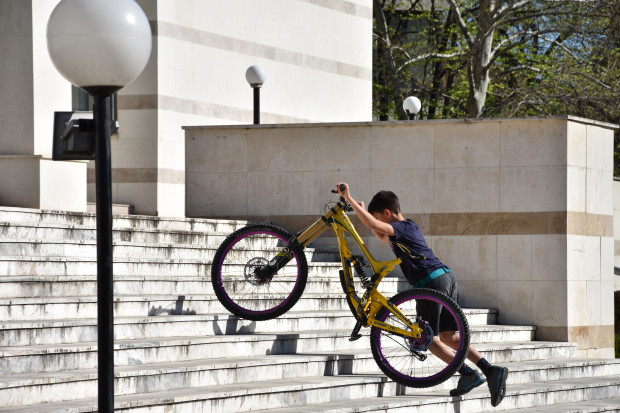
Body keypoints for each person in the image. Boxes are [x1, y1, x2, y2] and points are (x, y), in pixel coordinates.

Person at [336, 183, 508, 407]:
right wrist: (363, 212)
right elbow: (377, 231)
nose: (379, 222)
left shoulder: (402, 228)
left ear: (387, 213)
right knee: (449, 336)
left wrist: (348, 198)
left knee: (426, 338)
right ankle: (490, 369)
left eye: (380, 217)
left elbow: (372, 224)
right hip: (445, 277)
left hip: (430, 282)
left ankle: (467, 373)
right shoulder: (408, 228)